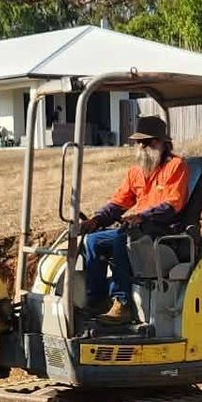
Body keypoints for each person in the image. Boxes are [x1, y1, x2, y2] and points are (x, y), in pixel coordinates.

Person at [78, 114, 187, 324]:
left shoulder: (176, 166)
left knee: (122, 239)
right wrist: (97, 220)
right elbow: (119, 203)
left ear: (161, 143)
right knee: (93, 240)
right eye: (139, 143)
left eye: (147, 142)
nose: (142, 147)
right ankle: (98, 300)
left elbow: (172, 206)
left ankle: (123, 303)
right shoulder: (136, 172)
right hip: (138, 228)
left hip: (164, 230)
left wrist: (141, 216)